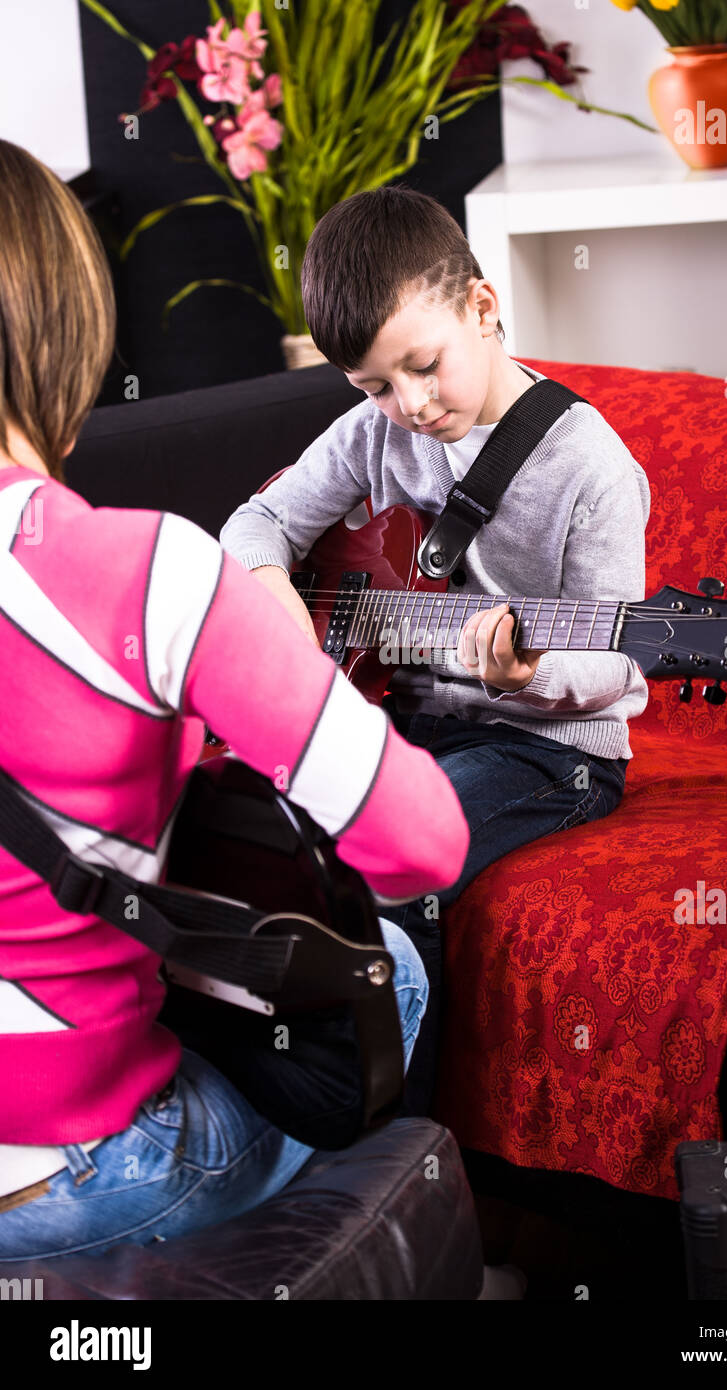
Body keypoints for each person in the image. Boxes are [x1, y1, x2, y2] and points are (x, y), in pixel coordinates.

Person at [0, 140, 470, 1263]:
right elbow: (422, 839)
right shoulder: (146, 569)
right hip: (65, 1174)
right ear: (66, 329)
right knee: (389, 968)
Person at [220, 185, 651, 1113]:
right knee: (250, 834)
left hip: (548, 749)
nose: (408, 405)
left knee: (391, 860)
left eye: (424, 366)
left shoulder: (592, 465)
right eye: (376, 386)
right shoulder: (374, 429)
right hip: (404, 719)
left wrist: (530, 674)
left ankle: (408, 1172)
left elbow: (617, 660)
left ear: (484, 310)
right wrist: (271, 591)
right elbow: (254, 521)